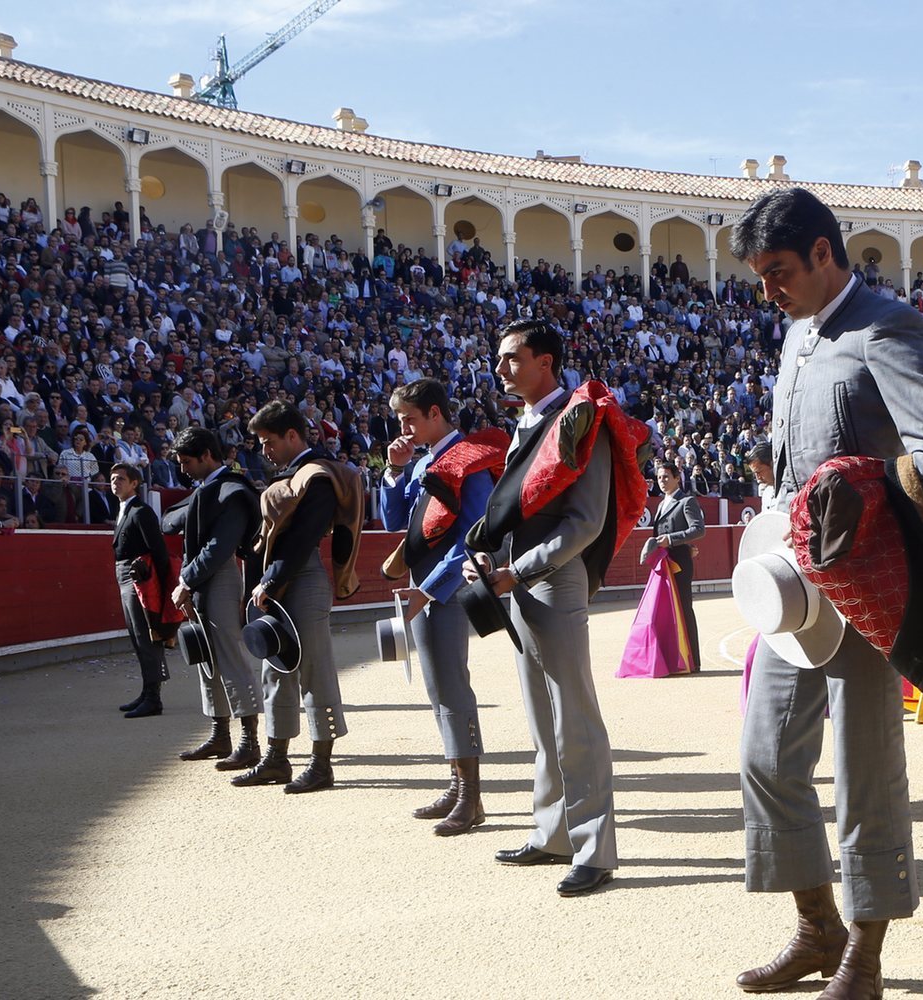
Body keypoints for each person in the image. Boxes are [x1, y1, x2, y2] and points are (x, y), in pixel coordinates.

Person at [728, 187, 923, 999]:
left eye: (780, 270)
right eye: (762, 275)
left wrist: (860, 503)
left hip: (869, 581)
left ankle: (864, 959)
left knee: (864, 769)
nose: (770, 289)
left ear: (826, 253)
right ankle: (817, 926)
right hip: (797, 582)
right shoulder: (798, 336)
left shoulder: (887, 326)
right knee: (765, 755)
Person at [464, 320, 630, 897]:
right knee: (542, 715)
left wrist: (521, 568)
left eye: (513, 358)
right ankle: (554, 831)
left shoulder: (586, 421)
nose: (501, 368)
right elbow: (514, 511)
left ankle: (593, 848)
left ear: (547, 362)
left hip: (555, 580)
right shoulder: (531, 422)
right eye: (499, 357)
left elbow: (585, 522)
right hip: (518, 578)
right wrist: (488, 560)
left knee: (574, 717)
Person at [378, 377, 502, 837]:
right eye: (399, 420)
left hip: (444, 590)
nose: (403, 428)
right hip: (423, 587)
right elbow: (396, 523)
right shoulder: (423, 462)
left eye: (409, 418)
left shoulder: (467, 461)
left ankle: (471, 797)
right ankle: (457, 784)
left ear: (435, 413)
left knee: (451, 687)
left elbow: (476, 535)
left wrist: (428, 591)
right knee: (437, 688)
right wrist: (393, 472)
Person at [234, 400, 365, 794]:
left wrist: (270, 582)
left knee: (313, 671)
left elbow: (303, 537)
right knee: (275, 669)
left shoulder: (317, 475)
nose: (263, 450)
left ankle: (321, 765)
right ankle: (276, 759)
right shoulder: (302, 474)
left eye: (268, 441)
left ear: (292, 435)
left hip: (300, 579)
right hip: (282, 580)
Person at [167, 428, 265, 772]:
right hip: (202, 577)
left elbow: (219, 548)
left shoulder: (232, 491)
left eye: (188, 462)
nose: (184, 470)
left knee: (229, 657)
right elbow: (171, 520)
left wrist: (186, 580)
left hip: (219, 577)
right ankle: (220, 733)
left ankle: (250, 742)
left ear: (208, 454)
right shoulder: (212, 489)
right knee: (208, 661)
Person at [111, 463, 174, 719]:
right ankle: (147, 691)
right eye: (113, 478)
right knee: (138, 637)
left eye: (121, 479)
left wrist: (159, 584)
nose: (115, 482)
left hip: (139, 577)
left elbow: (158, 551)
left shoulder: (141, 511)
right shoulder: (127, 509)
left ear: (135, 483)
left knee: (147, 635)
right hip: (125, 575)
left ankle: (153, 698)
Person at [642, 461, 706, 669]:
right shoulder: (661, 504)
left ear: (678, 478)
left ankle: (692, 661)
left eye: (667, 477)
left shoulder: (687, 501)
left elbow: (698, 530)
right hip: (663, 563)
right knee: (665, 610)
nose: (662, 481)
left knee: (684, 608)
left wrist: (672, 540)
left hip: (679, 563)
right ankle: (670, 659)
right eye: (660, 477)